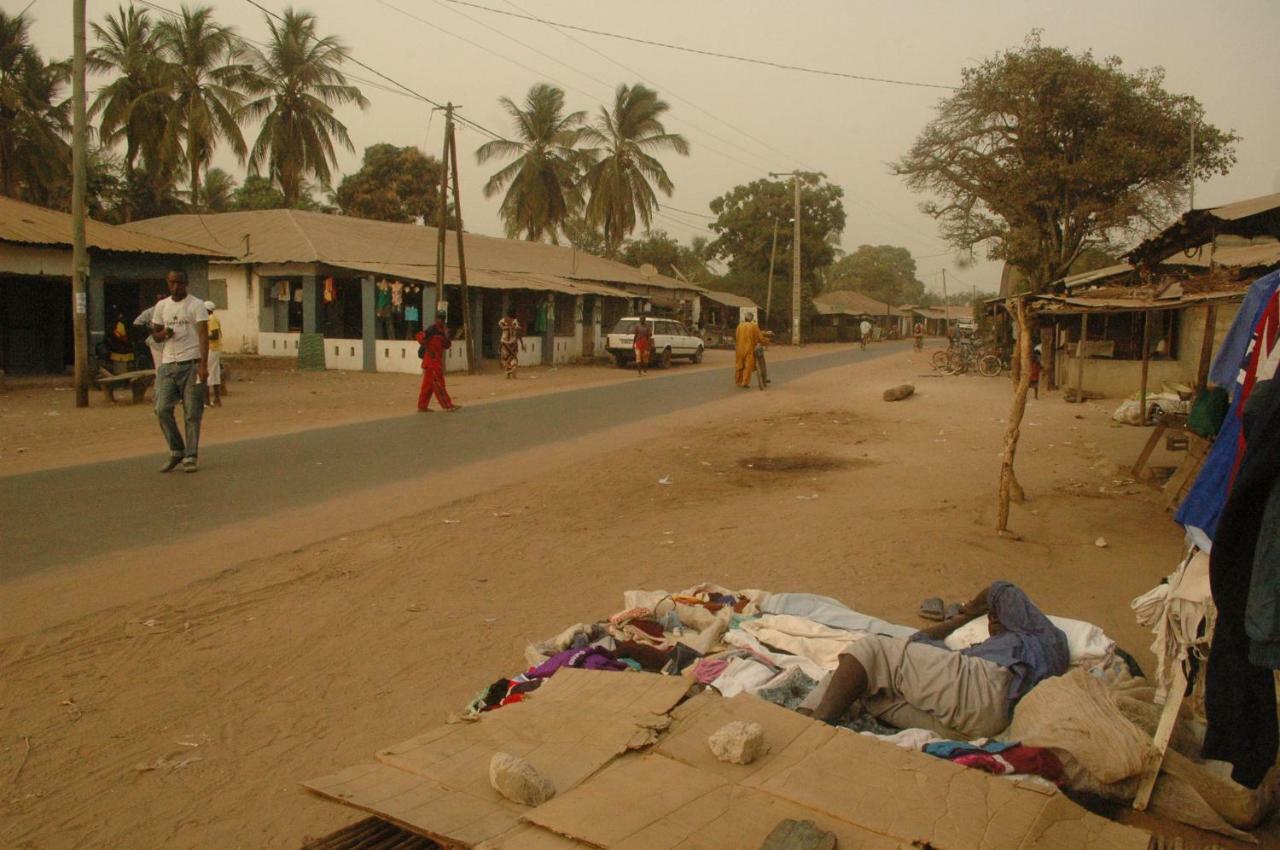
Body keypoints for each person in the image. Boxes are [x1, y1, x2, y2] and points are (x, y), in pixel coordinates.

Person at [802, 581, 1068, 739]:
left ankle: (814, 732)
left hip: (988, 689)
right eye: (990, 616)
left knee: (872, 649)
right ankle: (800, 719)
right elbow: (918, 642)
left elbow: (1001, 589)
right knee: (862, 688)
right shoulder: (982, 651)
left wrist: (969, 611)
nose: (993, 619)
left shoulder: (1041, 636)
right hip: (979, 724)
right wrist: (958, 624)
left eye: (997, 615)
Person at [151, 270, 209, 473]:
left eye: (180, 283)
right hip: (168, 365)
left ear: (186, 284)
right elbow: (155, 335)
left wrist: (203, 365)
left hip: (191, 364)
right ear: (168, 283)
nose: (177, 287)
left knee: (192, 413)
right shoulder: (162, 306)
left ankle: (191, 455)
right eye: (173, 283)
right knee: (161, 408)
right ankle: (176, 450)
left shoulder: (196, 305)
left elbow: (203, 335)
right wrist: (163, 333)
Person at [417, 309, 460, 412]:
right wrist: (426, 343)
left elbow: (447, 345)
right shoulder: (431, 330)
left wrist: (447, 335)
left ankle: (422, 406)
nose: (440, 320)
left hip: (433, 362)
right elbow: (420, 337)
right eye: (439, 318)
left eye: (442, 318)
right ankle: (447, 405)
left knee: (427, 387)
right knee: (439, 385)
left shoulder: (442, 331)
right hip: (432, 363)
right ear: (436, 318)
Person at [134, 291, 167, 370]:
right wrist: (150, 330)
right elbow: (136, 323)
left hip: (169, 340)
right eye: (160, 298)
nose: (162, 300)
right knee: (159, 366)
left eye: (163, 298)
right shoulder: (150, 311)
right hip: (155, 343)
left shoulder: (171, 309)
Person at [734, 312, 766, 388]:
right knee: (748, 366)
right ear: (751, 319)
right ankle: (745, 383)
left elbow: (736, 336)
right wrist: (766, 341)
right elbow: (760, 338)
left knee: (739, 365)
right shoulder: (754, 326)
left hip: (739, 349)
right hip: (749, 349)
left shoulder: (739, 326)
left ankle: (738, 381)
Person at [203, 300, 224, 407]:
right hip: (214, 348)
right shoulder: (212, 319)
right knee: (214, 373)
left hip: (212, 348)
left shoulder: (211, 319)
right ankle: (216, 399)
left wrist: (202, 338)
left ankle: (207, 400)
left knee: (207, 373)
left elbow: (214, 335)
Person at [106, 310, 135, 374]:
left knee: (119, 372)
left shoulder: (114, 324)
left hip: (117, 352)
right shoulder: (120, 324)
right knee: (122, 372)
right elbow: (123, 338)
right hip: (121, 353)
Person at [498, 307, 523, 379]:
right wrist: (522, 343)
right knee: (513, 357)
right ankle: (513, 367)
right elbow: (518, 333)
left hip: (504, 343)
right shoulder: (515, 322)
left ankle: (508, 373)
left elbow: (501, 327)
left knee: (505, 358)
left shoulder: (502, 320)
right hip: (513, 342)